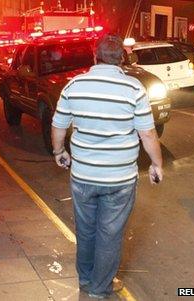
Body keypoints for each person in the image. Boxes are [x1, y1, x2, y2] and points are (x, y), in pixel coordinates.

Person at [51, 34, 163, 299]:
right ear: (122, 58)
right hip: (120, 180)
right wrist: (157, 164)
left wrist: (59, 151)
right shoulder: (134, 89)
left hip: (83, 177)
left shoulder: (74, 85)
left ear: (94, 56)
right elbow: (147, 134)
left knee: (86, 230)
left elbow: (59, 124)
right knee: (110, 234)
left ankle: (85, 281)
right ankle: (100, 289)